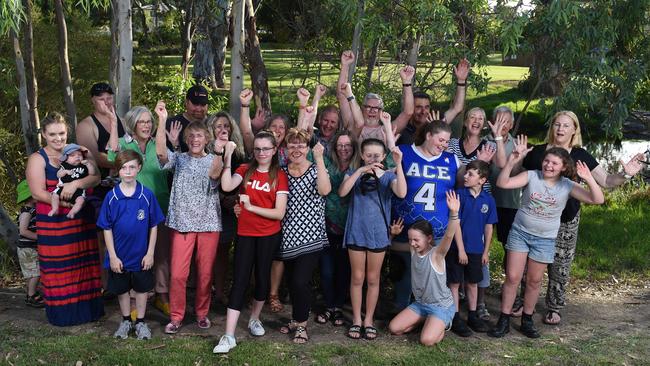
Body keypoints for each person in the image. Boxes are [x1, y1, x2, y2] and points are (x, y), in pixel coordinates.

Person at [519, 111, 645, 324]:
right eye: (557, 124)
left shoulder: (581, 155)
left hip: (566, 219)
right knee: (528, 263)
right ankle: (524, 304)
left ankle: (554, 307)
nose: (560, 129)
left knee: (560, 264)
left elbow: (606, 181)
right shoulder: (538, 152)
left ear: (574, 130)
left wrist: (626, 174)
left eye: (566, 125)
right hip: (536, 218)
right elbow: (518, 177)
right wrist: (517, 157)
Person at [489, 145, 604, 338]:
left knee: (534, 281)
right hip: (520, 233)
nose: (548, 166)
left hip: (545, 239)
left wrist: (589, 178)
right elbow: (503, 183)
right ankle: (504, 319)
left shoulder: (567, 185)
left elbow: (597, 199)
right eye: (546, 161)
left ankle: (527, 320)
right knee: (513, 277)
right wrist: (511, 162)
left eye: (554, 163)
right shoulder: (532, 176)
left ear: (563, 167)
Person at [213, 132, 289, 354]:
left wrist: (250, 207)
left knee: (263, 280)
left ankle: (254, 319)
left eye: (266, 149)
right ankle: (228, 336)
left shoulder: (279, 176)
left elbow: (279, 213)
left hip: (269, 234)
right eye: (257, 149)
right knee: (240, 281)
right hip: (246, 233)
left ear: (274, 150)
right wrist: (227, 156)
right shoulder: (246, 169)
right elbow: (226, 186)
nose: (262, 153)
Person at [26, 112, 104, 326]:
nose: (58, 138)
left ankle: (88, 311)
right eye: (52, 134)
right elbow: (37, 193)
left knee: (82, 264)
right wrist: (64, 201)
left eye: (61, 133)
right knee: (61, 268)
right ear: (43, 134)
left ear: (67, 131)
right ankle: (64, 315)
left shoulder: (78, 152)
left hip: (81, 220)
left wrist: (75, 185)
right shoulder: (37, 159)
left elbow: (95, 177)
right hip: (54, 222)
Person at [154, 101, 223, 334]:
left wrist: (221, 152)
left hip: (208, 223)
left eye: (200, 136)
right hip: (182, 222)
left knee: (204, 274)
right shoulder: (179, 159)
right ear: (186, 139)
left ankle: (202, 314)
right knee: (179, 274)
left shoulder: (214, 159)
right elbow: (162, 154)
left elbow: (215, 175)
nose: (195, 140)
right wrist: (162, 119)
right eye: (191, 136)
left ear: (207, 139)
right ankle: (176, 316)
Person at [107, 105, 173, 316]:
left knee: (161, 254)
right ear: (132, 125)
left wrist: (162, 121)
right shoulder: (124, 144)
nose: (146, 125)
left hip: (158, 206)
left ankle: (162, 295)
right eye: (141, 122)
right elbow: (111, 159)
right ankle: (135, 301)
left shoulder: (158, 143)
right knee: (135, 254)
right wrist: (112, 123)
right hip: (131, 210)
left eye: (149, 121)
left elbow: (166, 159)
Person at [339, 137, 407, 340]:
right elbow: (343, 192)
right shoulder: (353, 173)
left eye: (377, 155)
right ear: (362, 155)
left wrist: (399, 164)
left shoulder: (387, 176)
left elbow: (402, 192)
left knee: (373, 278)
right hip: (356, 232)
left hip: (378, 234)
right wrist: (360, 171)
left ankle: (368, 319)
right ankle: (357, 321)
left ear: (383, 156)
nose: (372, 158)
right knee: (357, 277)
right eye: (368, 155)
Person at [389, 121, 461, 311]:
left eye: (447, 141)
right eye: (441, 140)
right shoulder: (404, 152)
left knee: (432, 277)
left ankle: (433, 314)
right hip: (406, 229)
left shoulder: (452, 160)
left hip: (437, 231)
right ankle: (402, 309)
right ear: (429, 135)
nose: (444, 145)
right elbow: (387, 176)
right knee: (404, 274)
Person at [97, 150, 165, 340]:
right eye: (123, 168)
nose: (127, 172)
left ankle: (141, 322)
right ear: (118, 170)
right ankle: (126, 320)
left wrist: (150, 253)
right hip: (119, 256)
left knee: (142, 289)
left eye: (132, 167)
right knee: (122, 290)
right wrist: (112, 256)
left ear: (139, 168)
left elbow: (153, 225)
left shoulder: (146, 195)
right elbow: (106, 228)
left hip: (141, 255)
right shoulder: (111, 197)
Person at [277, 128, 331, 344]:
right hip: (287, 236)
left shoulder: (316, 168)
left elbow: (325, 190)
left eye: (301, 145)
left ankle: (301, 325)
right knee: (292, 282)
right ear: (286, 149)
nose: (296, 149)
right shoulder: (282, 171)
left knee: (301, 281)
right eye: (292, 145)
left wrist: (319, 158)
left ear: (308, 148)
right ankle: (296, 318)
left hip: (311, 236)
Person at [388, 191, 461, 346]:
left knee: (426, 340)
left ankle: (443, 323)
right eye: (410, 240)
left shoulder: (437, 255)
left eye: (416, 240)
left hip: (440, 306)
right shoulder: (413, 250)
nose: (412, 243)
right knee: (394, 328)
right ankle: (426, 321)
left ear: (428, 239)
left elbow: (448, 236)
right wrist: (392, 235)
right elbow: (389, 246)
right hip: (421, 304)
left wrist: (454, 213)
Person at [76, 82, 126, 297]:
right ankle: (103, 287)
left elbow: (129, 149)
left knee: (123, 236)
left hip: (122, 187)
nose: (106, 102)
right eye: (100, 98)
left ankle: (121, 283)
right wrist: (124, 163)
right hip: (98, 189)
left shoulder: (120, 121)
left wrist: (123, 162)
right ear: (92, 101)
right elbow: (96, 158)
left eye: (109, 97)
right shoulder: (87, 125)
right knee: (101, 240)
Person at [446, 160, 497, 336]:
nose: (465, 176)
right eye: (466, 173)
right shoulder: (458, 195)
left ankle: (473, 316)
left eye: (470, 174)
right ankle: (455, 316)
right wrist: (460, 249)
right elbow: (456, 224)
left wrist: (485, 251)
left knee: (473, 282)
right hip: (456, 248)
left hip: (476, 249)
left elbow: (489, 227)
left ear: (482, 180)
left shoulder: (488, 200)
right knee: (454, 282)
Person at [315, 131, 359, 327]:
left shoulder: (358, 167)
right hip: (326, 224)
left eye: (347, 145)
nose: (344, 148)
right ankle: (328, 305)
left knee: (344, 270)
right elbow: (309, 153)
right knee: (326, 271)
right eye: (340, 145)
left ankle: (338, 306)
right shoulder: (328, 164)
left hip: (350, 228)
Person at [206, 112, 247, 305]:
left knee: (222, 252)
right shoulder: (206, 152)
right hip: (208, 209)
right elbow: (204, 182)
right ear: (211, 131)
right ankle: (203, 292)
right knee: (206, 254)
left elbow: (242, 181)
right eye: (218, 127)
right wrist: (223, 198)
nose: (223, 130)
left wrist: (234, 199)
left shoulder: (238, 153)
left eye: (227, 126)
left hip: (230, 211)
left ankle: (219, 292)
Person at [485, 106, 522, 319]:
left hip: (510, 203)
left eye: (507, 121)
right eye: (499, 120)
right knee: (481, 244)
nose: (503, 125)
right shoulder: (484, 141)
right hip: (487, 202)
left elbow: (518, 172)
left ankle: (512, 290)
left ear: (512, 123)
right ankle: (475, 288)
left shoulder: (518, 144)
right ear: (492, 121)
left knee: (511, 248)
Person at [337, 50, 414, 146]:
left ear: (382, 111)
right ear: (362, 108)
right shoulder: (352, 123)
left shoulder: (387, 129)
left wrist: (407, 82)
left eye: (377, 108)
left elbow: (408, 113)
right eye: (368, 107)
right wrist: (345, 65)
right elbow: (342, 96)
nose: (372, 111)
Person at [394, 59, 471, 145]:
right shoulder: (403, 126)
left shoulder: (435, 121)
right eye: (419, 107)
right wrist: (406, 82)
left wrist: (461, 81)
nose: (423, 112)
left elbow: (457, 108)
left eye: (427, 107)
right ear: (412, 108)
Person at [15, 180, 44, 308]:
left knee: (33, 272)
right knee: (35, 272)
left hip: (30, 247)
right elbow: (23, 231)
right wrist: (40, 237)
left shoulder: (32, 209)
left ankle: (32, 292)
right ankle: (31, 296)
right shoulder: (27, 211)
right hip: (27, 248)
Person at [48, 144, 93, 218]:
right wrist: (65, 172)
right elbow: (58, 175)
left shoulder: (84, 166)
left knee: (81, 200)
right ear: (66, 158)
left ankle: (72, 212)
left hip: (79, 190)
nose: (77, 156)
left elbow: (92, 173)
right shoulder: (64, 166)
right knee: (54, 196)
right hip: (62, 188)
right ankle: (55, 209)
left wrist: (89, 165)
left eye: (79, 154)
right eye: (72, 155)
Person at [165, 84, 210, 152]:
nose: (199, 108)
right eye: (195, 104)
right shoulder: (172, 124)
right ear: (186, 102)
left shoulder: (215, 124)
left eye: (203, 104)